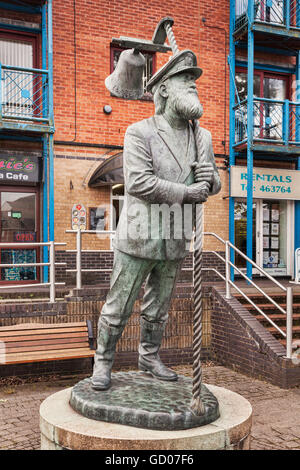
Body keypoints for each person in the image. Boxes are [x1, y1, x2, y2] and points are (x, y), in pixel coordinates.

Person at [91, 49, 221, 390]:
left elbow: (215, 184)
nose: (193, 86)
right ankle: (102, 363)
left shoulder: (202, 136)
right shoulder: (140, 132)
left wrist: (210, 177)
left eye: (194, 81)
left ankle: (148, 356)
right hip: (139, 235)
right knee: (118, 305)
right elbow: (138, 183)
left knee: (159, 307)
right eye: (185, 80)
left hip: (175, 235)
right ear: (163, 89)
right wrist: (187, 193)